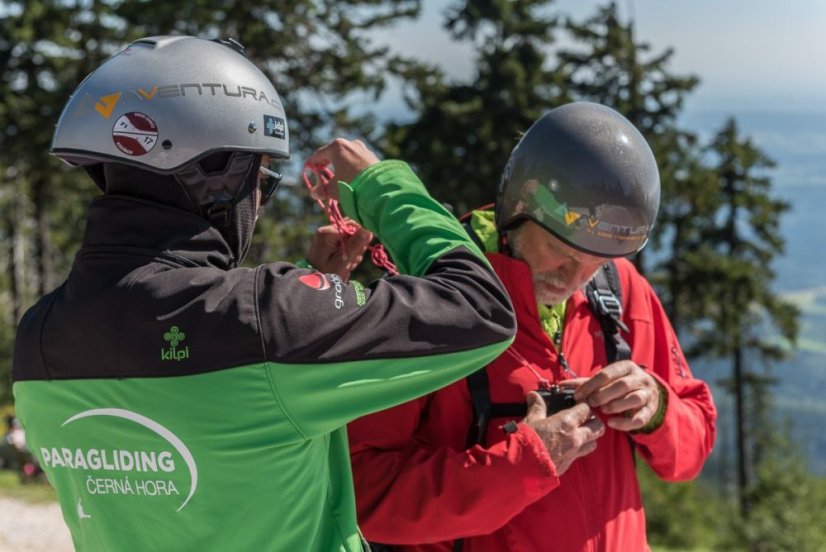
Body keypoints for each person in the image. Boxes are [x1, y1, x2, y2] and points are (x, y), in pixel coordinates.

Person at [11, 35, 516, 552]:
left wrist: (313, 290)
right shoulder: (270, 320)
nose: (260, 200)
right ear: (219, 178)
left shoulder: (38, 339)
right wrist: (382, 184)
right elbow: (481, 309)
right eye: (262, 180)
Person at [345, 102, 718, 551]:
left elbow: (691, 450)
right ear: (517, 211)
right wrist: (520, 465)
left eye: (598, 261)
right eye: (563, 252)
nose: (576, 280)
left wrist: (655, 407)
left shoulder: (617, 289)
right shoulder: (427, 302)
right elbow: (364, 494)